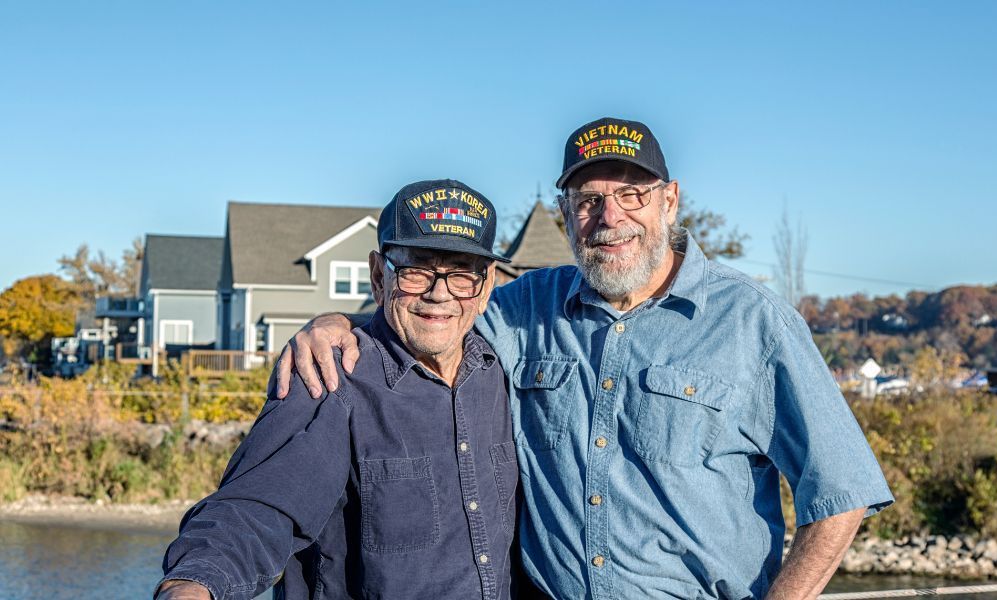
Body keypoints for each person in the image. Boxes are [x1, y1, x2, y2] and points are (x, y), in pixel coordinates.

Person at [279, 118, 894, 599]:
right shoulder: (524, 307)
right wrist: (339, 322)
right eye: (588, 198)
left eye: (632, 194)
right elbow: (434, 311)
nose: (610, 217)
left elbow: (840, 492)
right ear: (567, 210)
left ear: (670, 201)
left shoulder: (754, 321)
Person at [156, 180, 519, 600]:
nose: (439, 294)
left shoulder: (501, 372)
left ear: (487, 284)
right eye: (416, 271)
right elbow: (257, 506)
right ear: (379, 276)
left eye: (460, 275)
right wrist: (194, 585)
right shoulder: (330, 378)